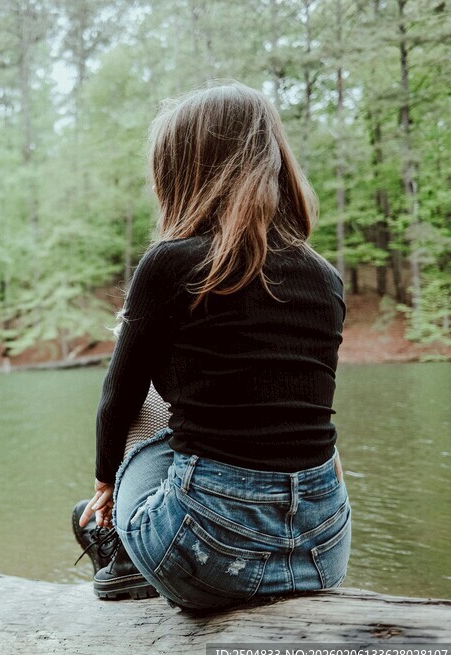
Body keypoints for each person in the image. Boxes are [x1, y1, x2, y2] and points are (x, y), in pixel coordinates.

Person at [73, 82, 351, 611]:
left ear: (182, 172)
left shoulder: (171, 263)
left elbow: (119, 399)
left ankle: (124, 554)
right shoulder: (325, 277)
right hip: (323, 554)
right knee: (300, 397)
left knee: (145, 393)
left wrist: (106, 482)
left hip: (207, 558)